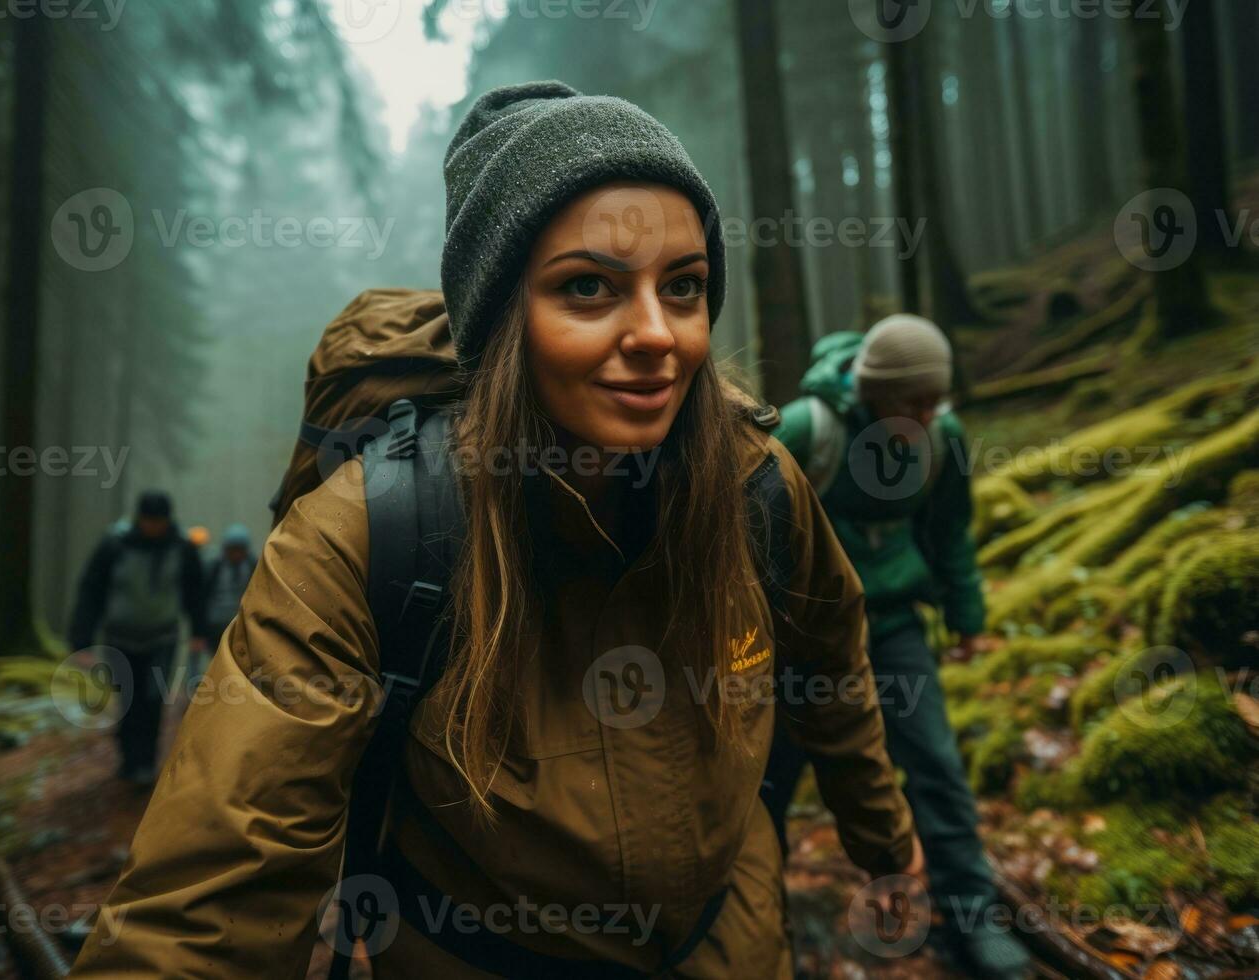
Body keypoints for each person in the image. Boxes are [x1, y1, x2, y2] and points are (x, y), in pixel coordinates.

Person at [70, 81, 921, 977]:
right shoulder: (371, 535)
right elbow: (209, 902)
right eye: (586, 288)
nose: (656, 335)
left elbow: (830, 665)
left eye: (684, 287)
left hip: (731, 944)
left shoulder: (756, 484)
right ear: (500, 318)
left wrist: (884, 841)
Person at [771, 315, 1032, 980]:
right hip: (795, 644)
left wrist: (966, 616)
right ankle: (763, 929)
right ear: (871, 391)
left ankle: (971, 914)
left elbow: (949, 534)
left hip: (892, 631)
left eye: (931, 400)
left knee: (937, 767)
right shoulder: (806, 432)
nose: (923, 413)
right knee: (767, 784)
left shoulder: (940, 440)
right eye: (909, 401)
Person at [68, 490, 207, 785]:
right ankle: (129, 759)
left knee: (154, 698)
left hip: (162, 637)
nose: (153, 526)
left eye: (158, 521)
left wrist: (198, 632)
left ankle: (145, 762)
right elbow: (91, 591)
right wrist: (81, 640)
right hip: (119, 638)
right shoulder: (114, 545)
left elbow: (195, 592)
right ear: (139, 519)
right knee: (128, 699)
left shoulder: (182, 548)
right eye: (148, 520)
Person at [202, 523, 257, 650]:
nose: (236, 555)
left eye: (240, 550)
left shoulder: (252, 567)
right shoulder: (215, 567)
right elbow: (204, 595)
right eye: (233, 550)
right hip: (216, 623)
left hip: (242, 623)